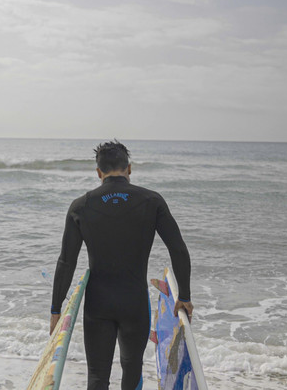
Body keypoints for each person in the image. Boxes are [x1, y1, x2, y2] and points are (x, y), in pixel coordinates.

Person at [50, 141, 193, 390]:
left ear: (98, 172)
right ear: (129, 169)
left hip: (98, 305)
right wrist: (184, 296)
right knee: (132, 371)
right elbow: (178, 249)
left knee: (97, 377)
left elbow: (66, 262)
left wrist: (55, 309)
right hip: (134, 304)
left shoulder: (80, 207)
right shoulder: (152, 201)